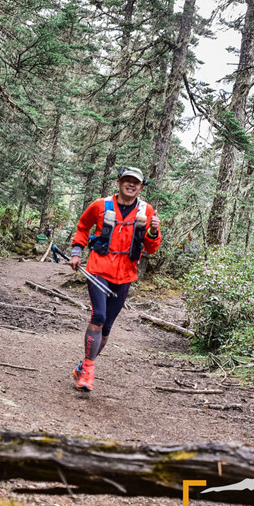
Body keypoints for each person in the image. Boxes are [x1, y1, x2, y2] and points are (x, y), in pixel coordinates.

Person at [69, 166, 161, 391]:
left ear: (141, 187)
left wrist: (153, 232)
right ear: (119, 182)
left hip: (125, 274)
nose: (131, 185)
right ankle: (88, 372)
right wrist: (76, 252)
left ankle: (83, 366)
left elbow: (151, 248)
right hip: (98, 268)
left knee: (107, 327)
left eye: (136, 182)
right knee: (98, 316)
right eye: (127, 180)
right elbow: (83, 227)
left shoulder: (147, 211)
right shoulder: (100, 205)